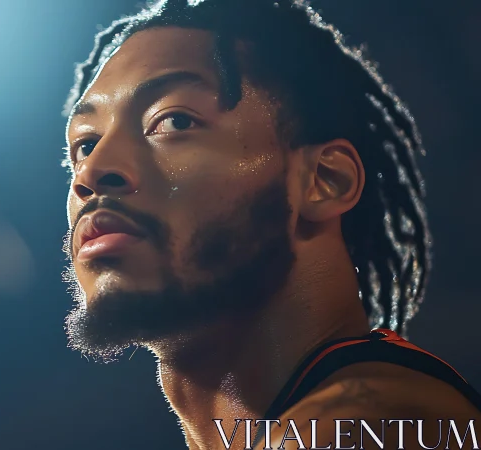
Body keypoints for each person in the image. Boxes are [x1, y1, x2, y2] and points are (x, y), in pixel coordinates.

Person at [59, 0, 481, 448]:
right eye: (85, 145)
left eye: (174, 120)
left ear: (325, 180)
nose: (91, 172)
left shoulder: (371, 422)